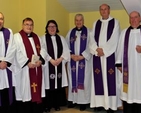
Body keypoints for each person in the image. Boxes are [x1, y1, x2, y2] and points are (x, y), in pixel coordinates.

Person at [9, 17, 47, 113]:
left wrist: (40, 61)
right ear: (22, 25)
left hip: (36, 69)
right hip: (24, 70)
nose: (29, 27)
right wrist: (26, 63)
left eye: (31, 25)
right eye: (27, 24)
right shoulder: (16, 36)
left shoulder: (37, 37)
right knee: (24, 92)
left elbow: (43, 49)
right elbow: (15, 52)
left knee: (35, 90)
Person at [89, 4, 121, 113]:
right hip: (98, 56)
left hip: (109, 56)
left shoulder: (115, 22)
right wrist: (96, 50)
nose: (103, 11)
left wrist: (104, 51)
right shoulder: (95, 23)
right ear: (99, 11)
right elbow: (91, 39)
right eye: (101, 10)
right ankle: (99, 104)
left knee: (109, 80)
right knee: (98, 79)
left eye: (105, 9)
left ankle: (111, 105)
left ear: (109, 10)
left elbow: (114, 39)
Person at [42, 20, 70, 112]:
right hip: (48, 65)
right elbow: (42, 51)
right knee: (48, 85)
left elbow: (66, 51)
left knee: (58, 85)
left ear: (57, 28)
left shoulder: (61, 38)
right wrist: (50, 59)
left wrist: (60, 59)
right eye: (50, 26)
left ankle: (57, 104)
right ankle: (47, 105)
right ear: (47, 28)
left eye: (54, 26)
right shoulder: (43, 38)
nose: (52, 28)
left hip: (59, 65)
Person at [116, 11, 141, 113]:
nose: (133, 20)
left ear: (139, 18)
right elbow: (119, 49)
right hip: (128, 70)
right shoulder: (124, 32)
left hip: (139, 70)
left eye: (135, 17)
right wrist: (119, 64)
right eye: (131, 18)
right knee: (128, 93)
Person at [66, 14, 92, 111]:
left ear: (83, 20)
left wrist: (82, 56)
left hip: (84, 62)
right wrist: (71, 55)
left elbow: (91, 46)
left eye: (80, 20)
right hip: (73, 61)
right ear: (74, 21)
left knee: (84, 81)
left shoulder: (89, 32)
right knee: (73, 80)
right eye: (76, 20)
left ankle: (83, 102)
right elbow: (66, 46)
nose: (78, 22)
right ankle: (73, 100)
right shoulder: (70, 33)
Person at [0, 12, 16, 113]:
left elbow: (12, 49)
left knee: (6, 91)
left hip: (6, 67)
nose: (0, 21)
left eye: (1, 19)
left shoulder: (9, 32)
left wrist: (5, 62)